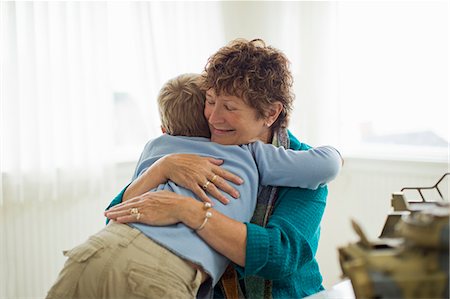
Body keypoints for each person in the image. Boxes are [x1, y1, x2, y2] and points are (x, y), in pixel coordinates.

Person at [46, 72, 341, 299]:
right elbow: (119, 211)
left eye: (229, 107)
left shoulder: (295, 168)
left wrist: (189, 211)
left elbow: (280, 258)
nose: (213, 116)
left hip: (98, 255)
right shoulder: (188, 151)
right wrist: (165, 167)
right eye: (210, 101)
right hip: (142, 264)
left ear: (270, 114)